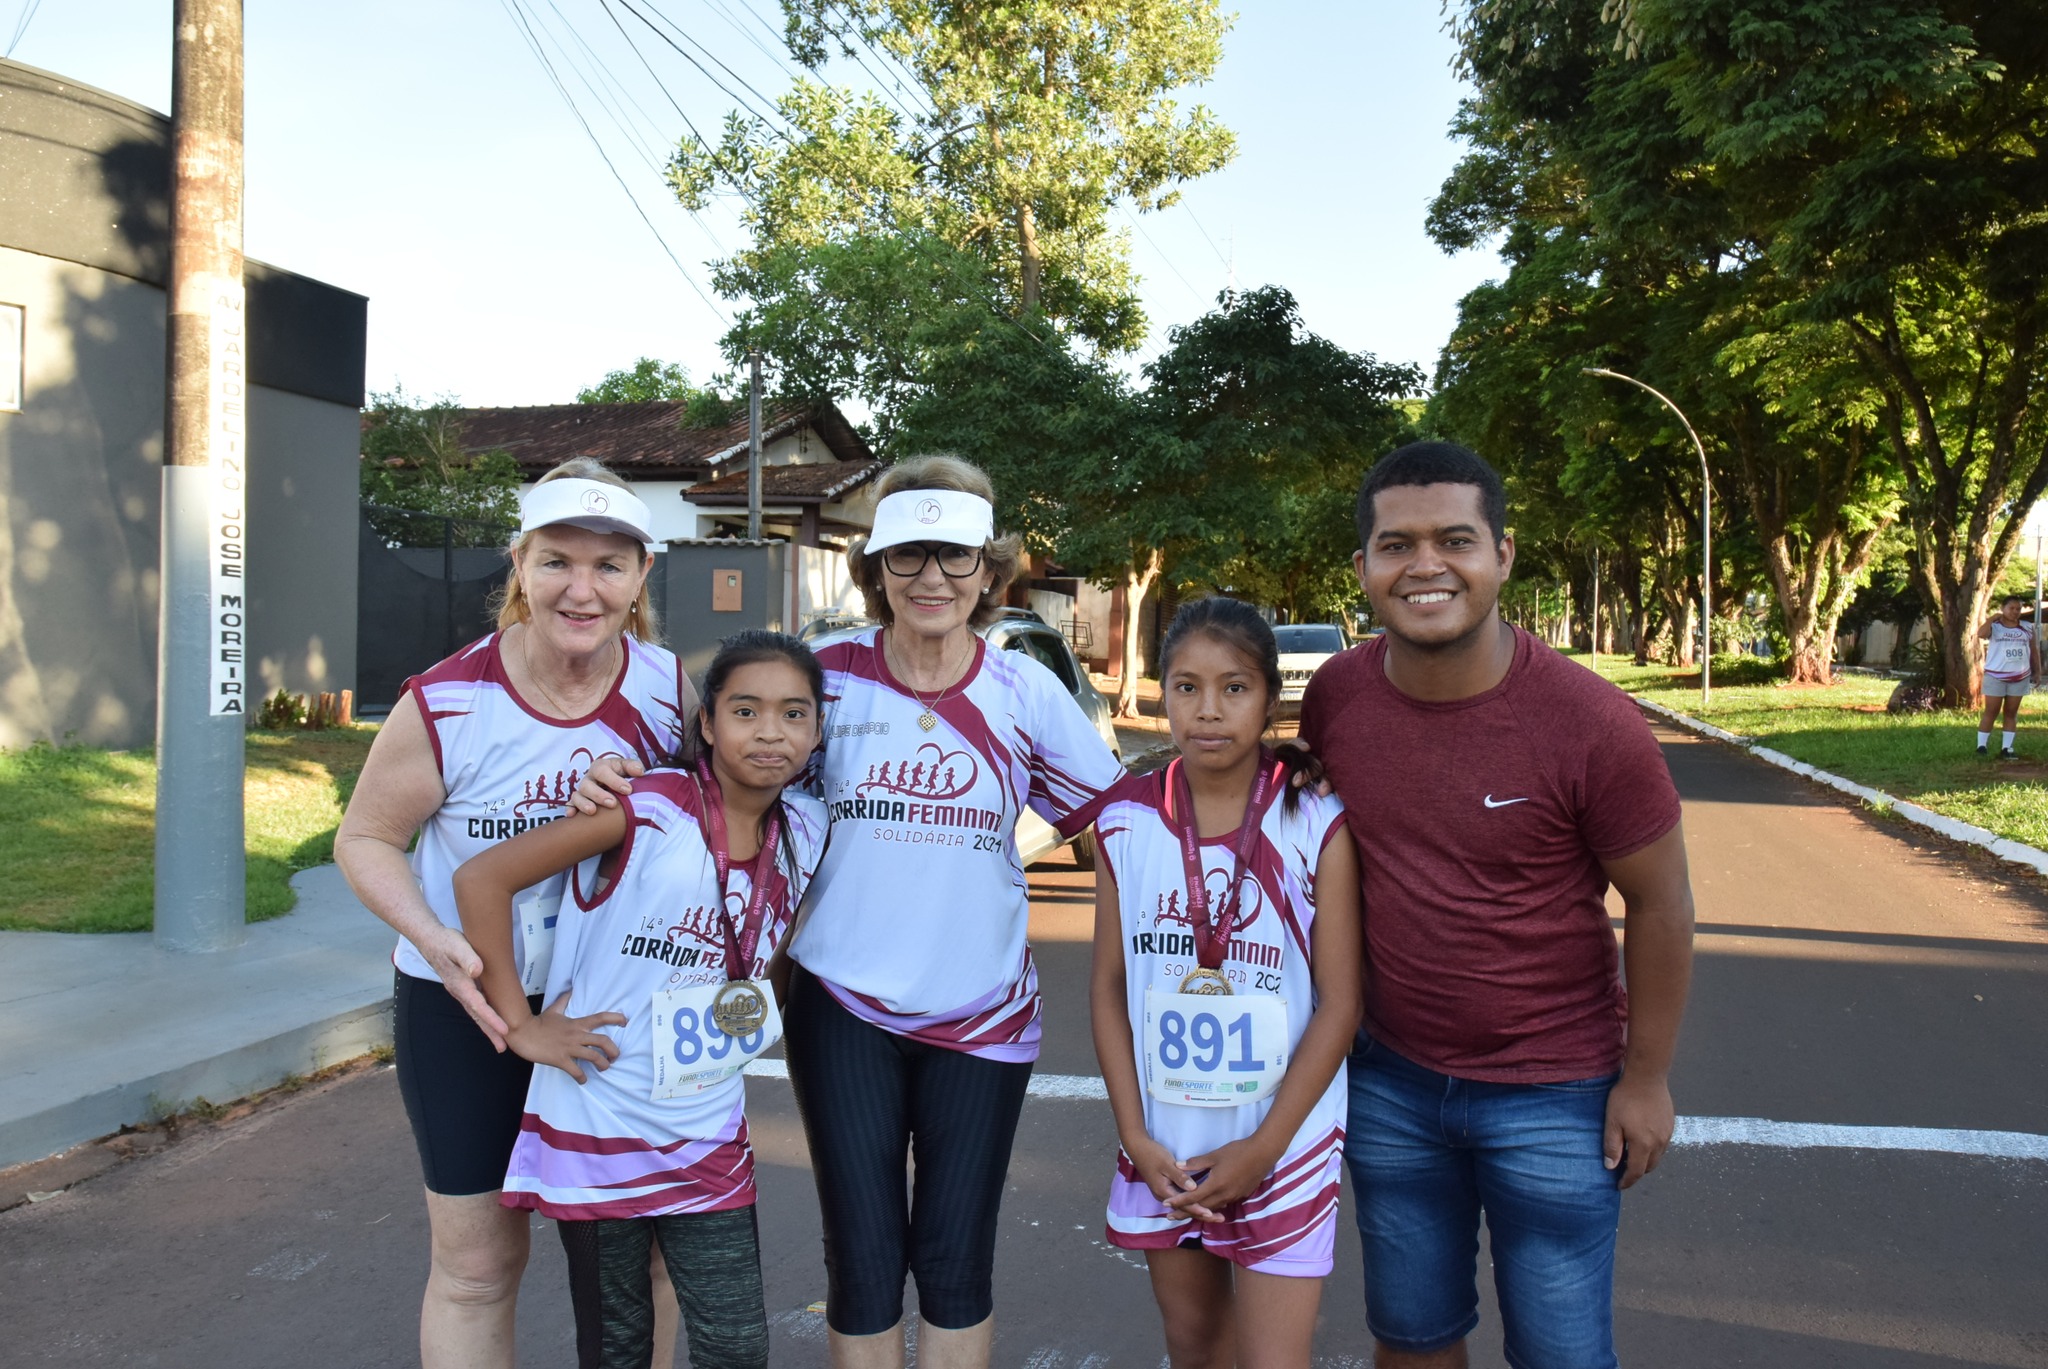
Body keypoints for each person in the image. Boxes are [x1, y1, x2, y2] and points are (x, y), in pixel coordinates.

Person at [576, 455, 1126, 1369]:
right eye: (907, 557)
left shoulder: (1025, 691)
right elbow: (714, 771)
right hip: (841, 1011)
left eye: (955, 557)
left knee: (955, 1260)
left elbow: (1121, 832)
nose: (932, 579)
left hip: (984, 1017)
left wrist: (1257, 796)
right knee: (863, 1257)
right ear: (875, 569)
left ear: (989, 572)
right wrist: (617, 781)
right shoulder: (823, 675)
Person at [1297, 441, 1695, 1369]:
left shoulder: (1591, 722)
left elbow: (1663, 905)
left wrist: (1645, 1079)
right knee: (1412, 1336)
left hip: (1556, 1092)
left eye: (1455, 540)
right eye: (1396, 545)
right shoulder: (1337, 697)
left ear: (1503, 556)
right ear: (1363, 568)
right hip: (1391, 1081)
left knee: (1560, 1352)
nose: (1425, 565)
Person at [334, 458, 694, 1369]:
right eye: (557, 561)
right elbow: (365, 839)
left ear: (642, 575)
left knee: (636, 1261)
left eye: (610, 565)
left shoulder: (669, 693)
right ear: (519, 565)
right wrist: (433, 937)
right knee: (478, 1262)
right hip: (469, 1012)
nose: (582, 589)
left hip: (611, 1011)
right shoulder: (449, 698)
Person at [452, 631, 829, 1369]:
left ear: (817, 732)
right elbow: (481, 880)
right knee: (617, 1346)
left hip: (706, 1122)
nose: (770, 732)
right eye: (745, 710)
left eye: (794, 714)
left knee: (737, 1344)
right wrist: (522, 1026)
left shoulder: (808, 828)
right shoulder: (648, 808)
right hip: (597, 1114)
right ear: (708, 723)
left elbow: (765, 945)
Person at [1091, 598, 1361, 1369]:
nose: (1208, 710)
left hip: (1283, 1139)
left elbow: (1342, 1001)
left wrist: (1265, 1145)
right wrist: (1135, 1133)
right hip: (1166, 1142)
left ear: (1270, 699)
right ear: (1161, 691)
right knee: (1195, 1345)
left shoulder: (1315, 818)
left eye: (1235, 688)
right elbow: (1109, 986)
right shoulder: (1123, 821)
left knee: (1274, 1359)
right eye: (1186, 687)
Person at [1976, 593, 2041, 758]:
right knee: (1991, 711)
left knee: (2011, 712)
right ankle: (1981, 746)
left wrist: (2037, 671)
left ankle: (2007, 748)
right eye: (2011, 608)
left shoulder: (2027, 626)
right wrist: (1991, 619)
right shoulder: (1995, 626)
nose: (2015, 612)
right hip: (1995, 676)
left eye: (2018, 609)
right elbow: (1981, 634)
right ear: (2003, 609)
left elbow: (2033, 650)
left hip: (2020, 676)